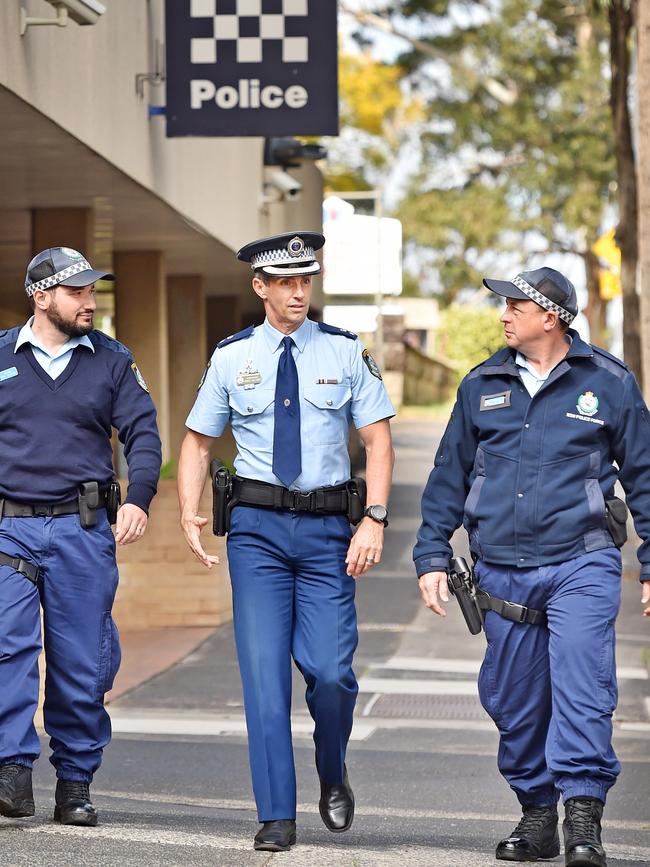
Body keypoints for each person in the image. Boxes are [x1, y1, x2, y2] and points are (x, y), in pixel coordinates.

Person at [414, 266, 650, 867]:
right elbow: (448, 476)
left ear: (551, 316)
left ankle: (582, 822)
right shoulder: (481, 384)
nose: (503, 314)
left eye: (515, 304)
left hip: (583, 562)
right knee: (512, 700)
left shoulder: (609, 383)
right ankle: (537, 813)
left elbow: (644, 477)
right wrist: (431, 553)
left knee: (582, 687)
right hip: (503, 570)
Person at [178, 231, 395, 852]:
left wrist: (374, 519)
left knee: (331, 675)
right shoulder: (230, 357)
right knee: (264, 676)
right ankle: (276, 813)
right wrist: (188, 512)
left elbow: (377, 441)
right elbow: (198, 440)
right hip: (257, 534)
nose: (299, 292)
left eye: (306, 281)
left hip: (329, 531)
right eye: (286, 282)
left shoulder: (345, 352)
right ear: (261, 287)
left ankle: (331, 770)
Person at [0, 247, 162, 827]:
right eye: (77, 292)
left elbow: (144, 435)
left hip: (83, 529)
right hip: (9, 529)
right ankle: (11, 771)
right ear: (41, 297)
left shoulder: (112, 361)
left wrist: (139, 498)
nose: (90, 302)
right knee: (7, 647)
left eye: (94, 291)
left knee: (81, 660)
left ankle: (74, 781)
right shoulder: (0, 357)